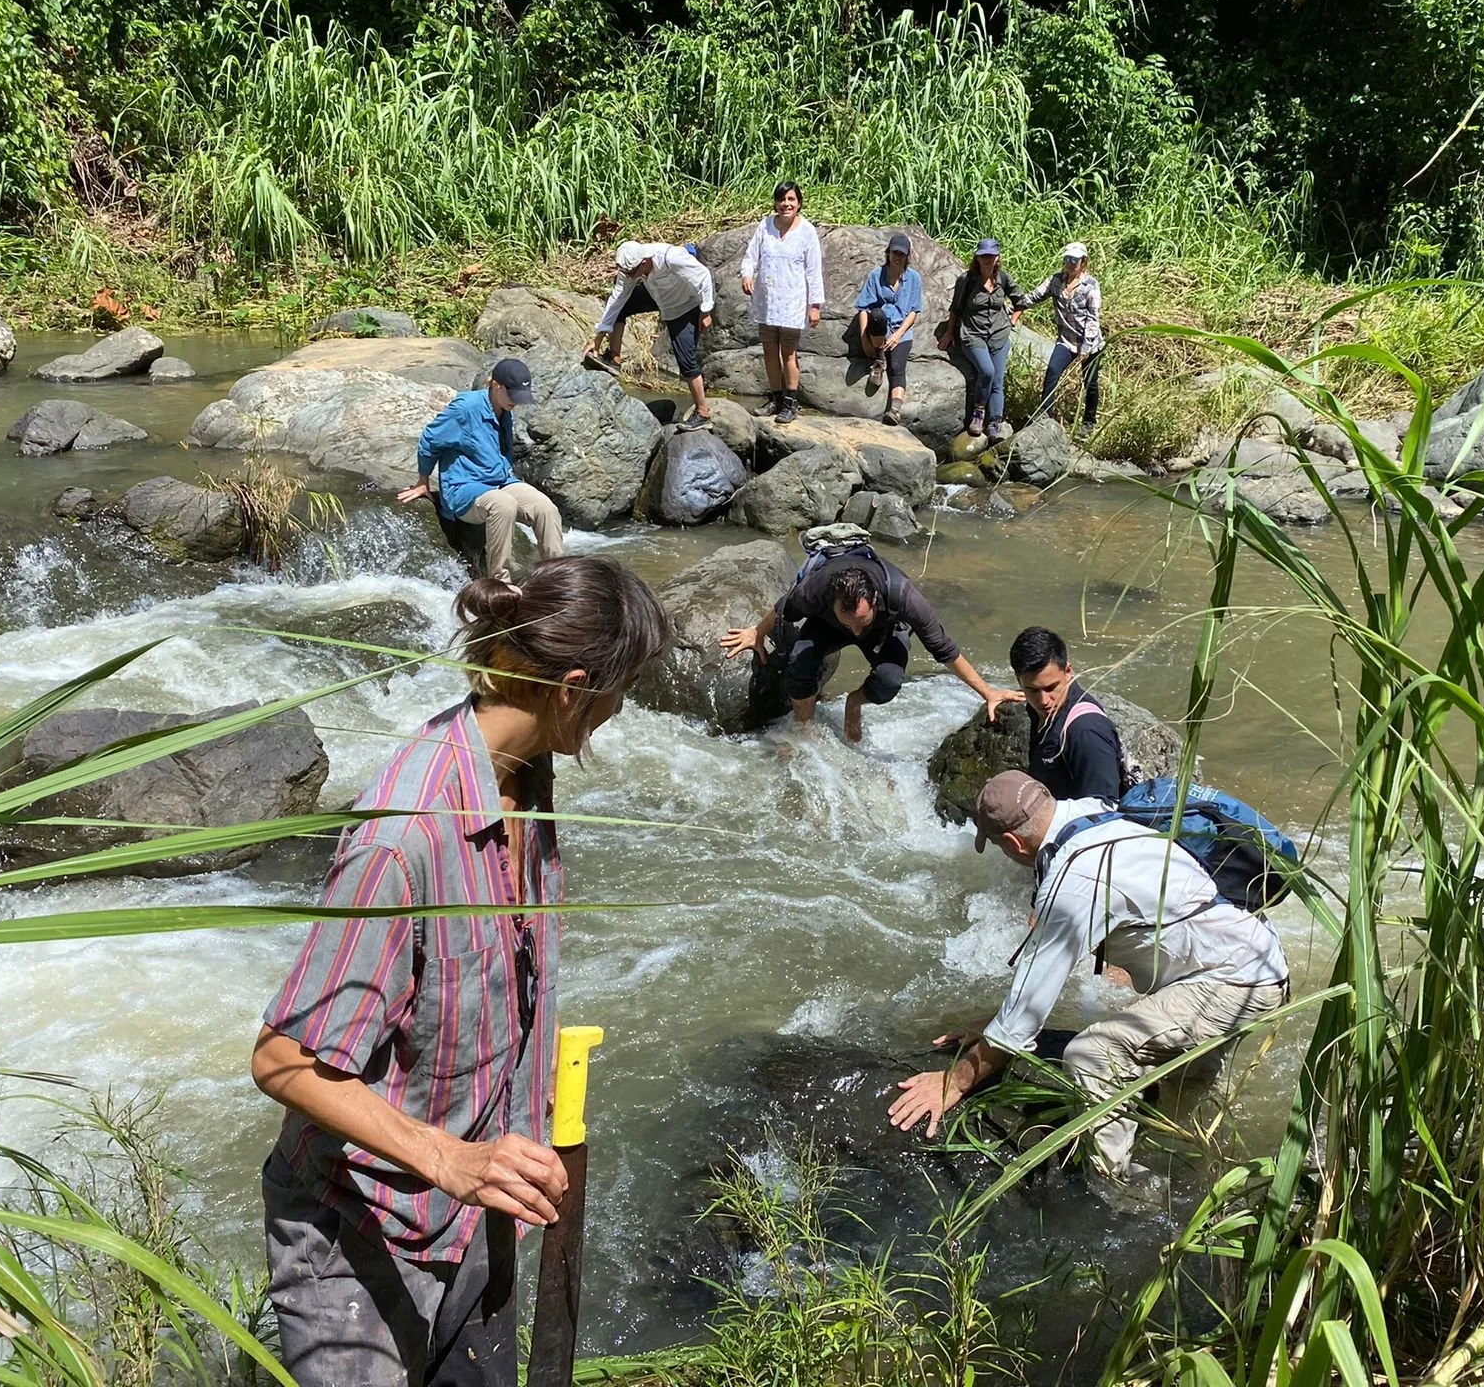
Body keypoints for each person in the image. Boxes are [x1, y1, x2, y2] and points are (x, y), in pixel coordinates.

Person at [251, 557, 669, 1387]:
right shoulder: (402, 838)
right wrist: (449, 1160)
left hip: (479, 1217)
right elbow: (281, 1059)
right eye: (621, 694)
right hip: (361, 1241)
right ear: (573, 688)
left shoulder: (526, 780)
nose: (620, 714)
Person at [887, 770, 1289, 1181]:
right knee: (1174, 1096)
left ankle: (1116, 1188)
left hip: (1232, 982)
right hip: (1250, 957)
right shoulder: (1097, 814)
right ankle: (1195, 1161)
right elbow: (1043, 972)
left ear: (1011, 843)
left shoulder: (1074, 881)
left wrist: (955, 1082)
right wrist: (990, 1022)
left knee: (1094, 1055)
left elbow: (1028, 1010)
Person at [718, 545, 1019, 744]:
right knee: (799, 662)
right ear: (832, 602)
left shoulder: (903, 596)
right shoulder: (817, 589)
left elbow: (945, 649)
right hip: (827, 628)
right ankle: (803, 730)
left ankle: (855, 702)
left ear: (874, 600)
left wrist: (989, 692)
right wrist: (756, 634)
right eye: (848, 620)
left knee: (889, 681)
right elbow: (784, 610)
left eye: (860, 620)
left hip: (883, 631)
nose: (855, 629)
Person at [397, 357, 564, 585]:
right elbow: (430, 438)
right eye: (513, 394)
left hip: (500, 481)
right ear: (496, 385)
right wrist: (422, 481)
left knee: (546, 508)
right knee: (503, 504)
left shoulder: (504, 408)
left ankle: (557, 578)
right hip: (465, 489)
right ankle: (499, 583)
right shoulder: (466, 409)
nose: (516, 401)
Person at [585, 240, 717, 429]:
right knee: (621, 306)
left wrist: (706, 311)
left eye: (632, 273)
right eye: (626, 273)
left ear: (644, 262)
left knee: (686, 361)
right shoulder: (630, 268)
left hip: (685, 306)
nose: (628, 277)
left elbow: (703, 275)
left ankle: (703, 414)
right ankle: (614, 358)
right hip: (658, 297)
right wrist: (597, 339)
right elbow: (617, 298)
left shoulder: (670, 257)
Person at [739, 181, 824, 424]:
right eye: (782, 200)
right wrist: (747, 274)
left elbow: (813, 270)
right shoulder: (765, 226)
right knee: (768, 351)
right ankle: (776, 399)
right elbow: (750, 257)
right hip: (767, 300)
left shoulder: (807, 231)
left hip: (792, 302)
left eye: (791, 200)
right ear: (775, 203)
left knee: (788, 352)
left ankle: (790, 403)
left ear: (799, 203)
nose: (786, 204)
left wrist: (815, 305)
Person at [1010, 626, 1127, 802]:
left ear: (1068, 671)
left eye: (1051, 688)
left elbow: (1103, 810)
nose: (1043, 700)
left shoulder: (1086, 731)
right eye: (1032, 690)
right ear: (1019, 680)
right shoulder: (1040, 711)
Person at [943, 238, 1025, 441]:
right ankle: (978, 413)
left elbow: (1020, 301)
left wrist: (1013, 321)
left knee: (997, 379)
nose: (987, 259)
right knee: (987, 371)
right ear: (977, 258)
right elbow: (955, 309)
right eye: (983, 256)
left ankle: (995, 422)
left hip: (999, 335)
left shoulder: (1003, 279)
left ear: (997, 257)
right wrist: (948, 332)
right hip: (973, 334)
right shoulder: (967, 280)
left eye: (991, 256)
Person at [1022, 242, 1106, 439]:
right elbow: (1035, 296)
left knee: (1090, 383)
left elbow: (1093, 318)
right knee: (1052, 371)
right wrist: (1014, 307)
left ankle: (1088, 422)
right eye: (1067, 259)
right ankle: (1045, 415)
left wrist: (1086, 349)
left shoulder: (1091, 285)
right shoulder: (1056, 281)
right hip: (1066, 340)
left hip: (1090, 343)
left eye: (1074, 260)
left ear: (1083, 262)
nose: (1070, 264)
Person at [851, 231, 924, 427]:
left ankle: (895, 410)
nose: (898, 258)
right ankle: (879, 359)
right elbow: (863, 309)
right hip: (879, 329)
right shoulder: (876, 275)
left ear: (907, 256)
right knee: (877, 315)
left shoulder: (914, 278)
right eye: (895, 253)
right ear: (888, 253)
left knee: (898, 368)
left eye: (902, 254)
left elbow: (914, 312)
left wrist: (898, 336)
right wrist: (864, 338)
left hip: (901, 331)